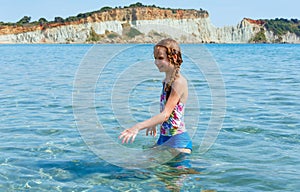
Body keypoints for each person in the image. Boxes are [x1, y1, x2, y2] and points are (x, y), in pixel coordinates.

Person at [119, 38, 192, 156]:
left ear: (173, 58)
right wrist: (154, 123)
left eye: (160, 58)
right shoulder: (166, 81)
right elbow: (169, 113)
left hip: (178, 142)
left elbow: (166, 114)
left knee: (170, 173)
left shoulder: (179, 82)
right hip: (163, 139)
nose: (156, 62)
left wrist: (137, 127)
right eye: (155, 58)